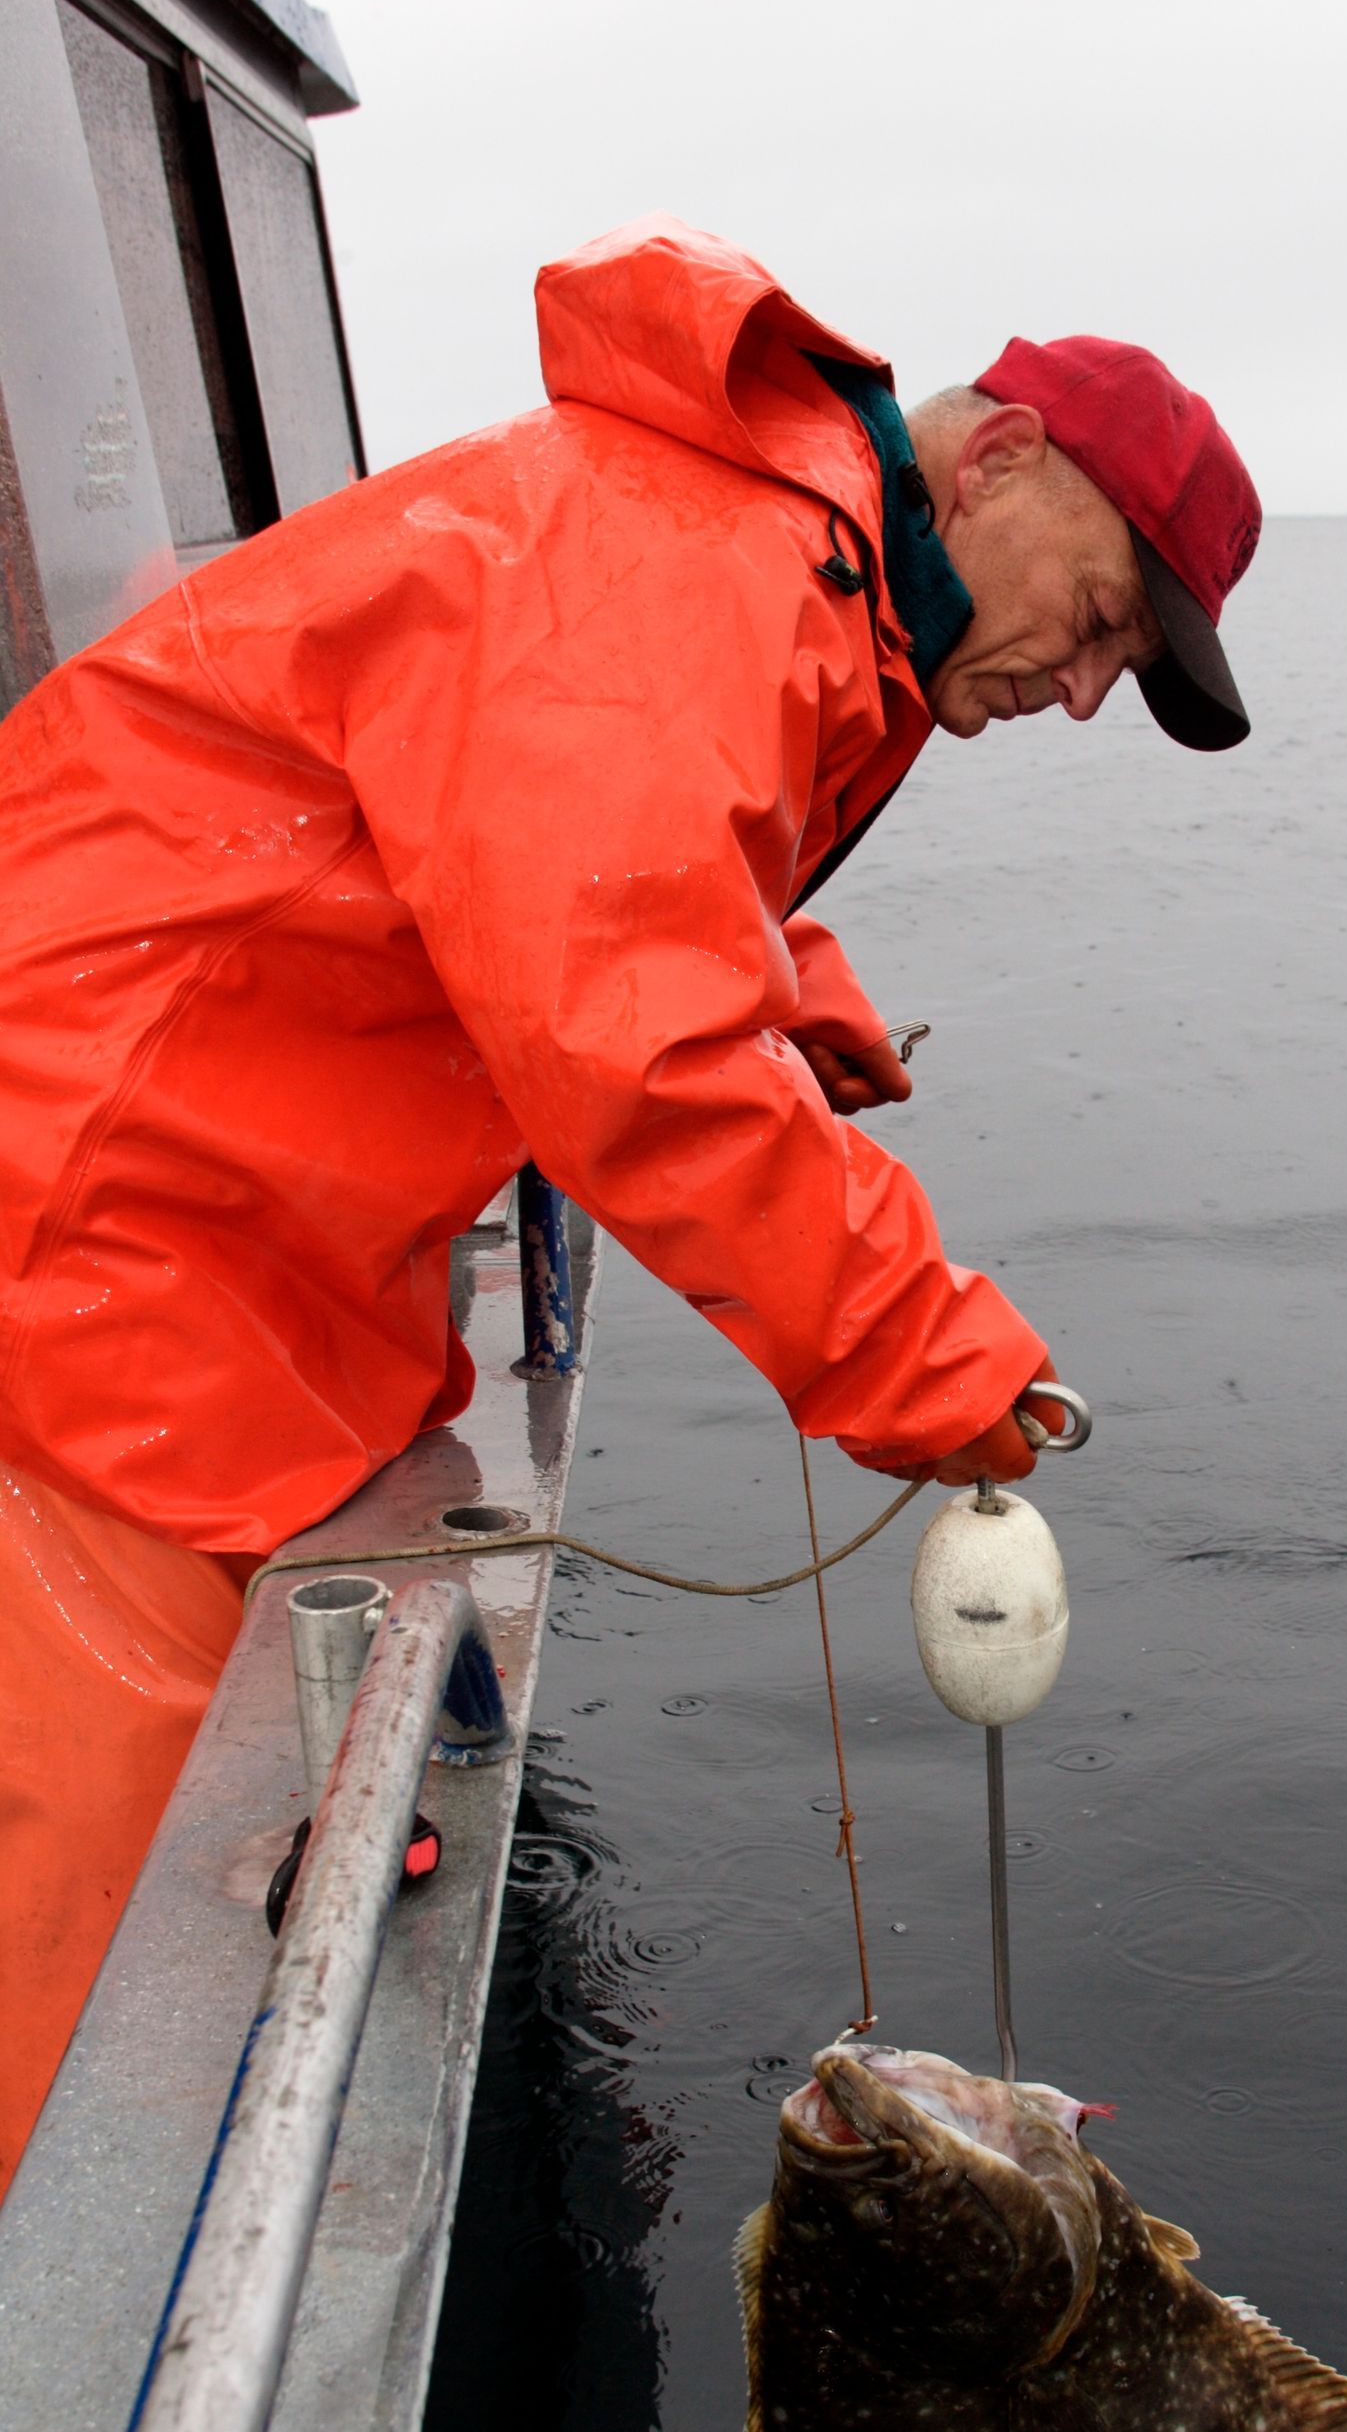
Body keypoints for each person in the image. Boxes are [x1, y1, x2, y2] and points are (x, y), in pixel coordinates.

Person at [0, 216, 1261, 2191]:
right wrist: (924, 1356)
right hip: (91, 1225)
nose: (1087, 691)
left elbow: (576, 854)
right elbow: (639, 1036)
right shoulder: (697, 564)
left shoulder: (788, 573)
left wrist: (789, 978)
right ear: (1001, 457)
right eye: (1103, 621)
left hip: (212, 1215)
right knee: (67, 1943)